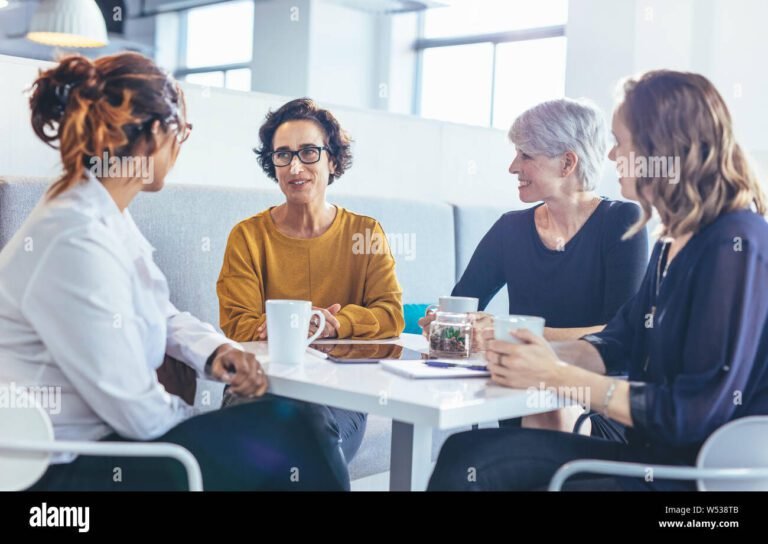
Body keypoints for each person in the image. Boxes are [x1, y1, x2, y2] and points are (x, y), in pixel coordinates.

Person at [0, 53, 348, 491]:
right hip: (67, 471)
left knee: (297, 424)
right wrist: (214, 420)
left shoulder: (101, 212)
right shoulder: (74, 236)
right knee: (300, 426)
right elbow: (135, 410)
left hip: (114, 444)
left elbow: (158, 312)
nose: (180, 146)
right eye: (180, 132)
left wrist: (215, 352)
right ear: (154, 135)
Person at [428, 70, 768, 491]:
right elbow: (619, 343)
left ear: (659, 150)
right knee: (464, 457)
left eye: (620, 142)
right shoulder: (672, 243)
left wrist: (553, 375)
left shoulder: (734, 244)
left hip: (694, 482)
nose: (610, 156)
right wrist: (531, 349)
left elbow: (689, 413)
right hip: (650, 456)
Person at [420, 98, 648, 434]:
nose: (513, 167)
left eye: (526, 155)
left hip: (595, 408)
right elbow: (462, 305)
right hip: (519, 398)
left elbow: (618, 336)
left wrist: (508, 332)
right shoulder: (510, 228)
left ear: (567, 163)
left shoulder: (622, 222)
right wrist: (445, 325)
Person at [217, 98, 405, 462]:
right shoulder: (247, 236)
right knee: (257, 439)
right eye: (283, 154)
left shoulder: (364, 232)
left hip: (340, 394)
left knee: (311, 435)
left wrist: (333, 325)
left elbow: (390, 314)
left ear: (332, 160)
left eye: (308, 152)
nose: (295, 166)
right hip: (261, 384)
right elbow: (238, 324)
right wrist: (297, 324)